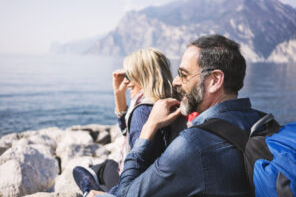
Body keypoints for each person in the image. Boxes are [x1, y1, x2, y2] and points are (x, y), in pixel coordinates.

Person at [97, 34, 265, 197]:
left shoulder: (193, 143)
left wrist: (149, 127)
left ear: (214, 80)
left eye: (184, 75)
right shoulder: (262, 121)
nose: (175, 81)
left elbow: (126, 194)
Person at [73, 48, 186, 197]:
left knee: (79, 171)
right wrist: (118, 94)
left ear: (145, 76)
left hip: (133, 187)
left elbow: (142, 172)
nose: (127, 82)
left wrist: (110, 194)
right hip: (165, 184)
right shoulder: (171, 103)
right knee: (106, 166)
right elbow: (129, 132)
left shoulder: (142, 112)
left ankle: (92, 193)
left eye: (130, 75)